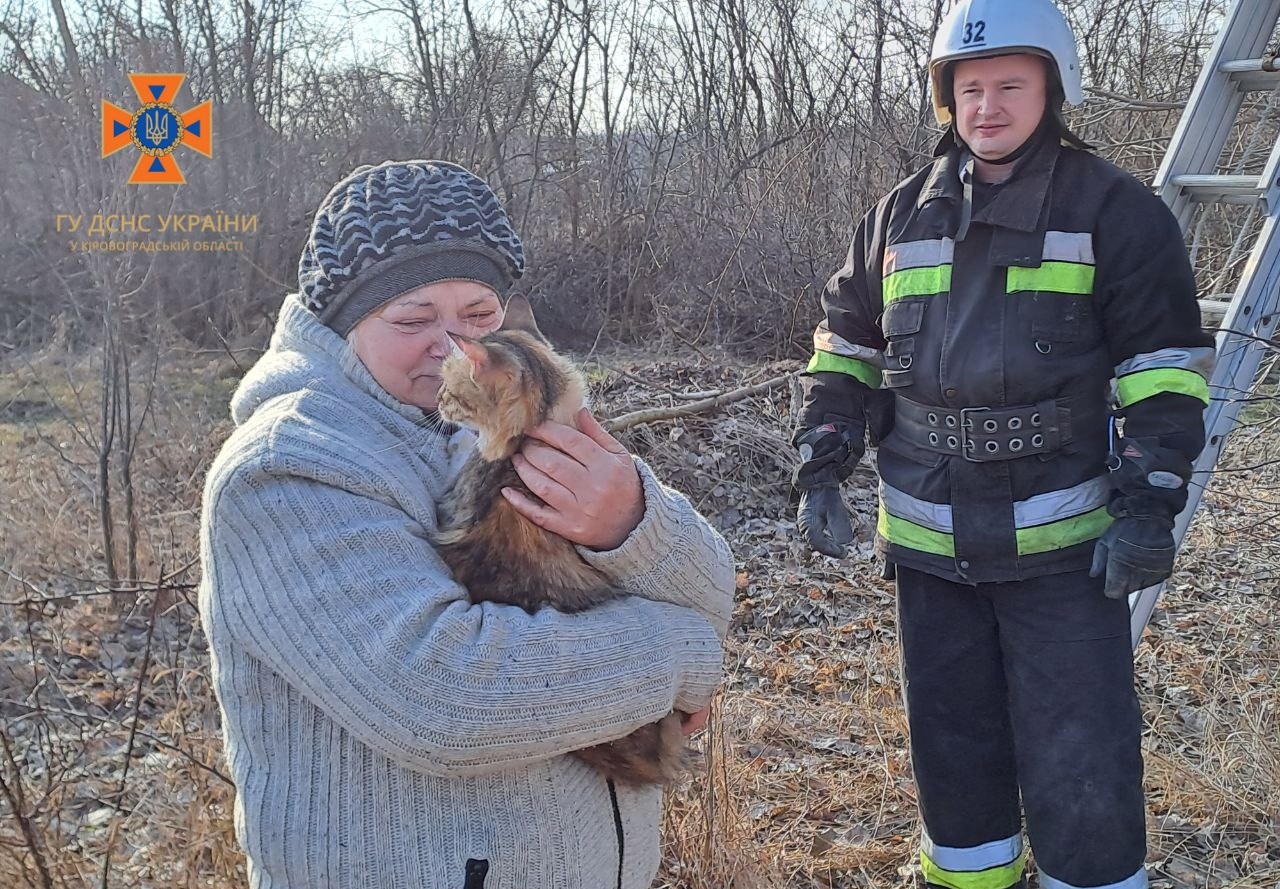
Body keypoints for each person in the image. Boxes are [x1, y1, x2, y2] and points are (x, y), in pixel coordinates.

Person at [198, 159, 735, 889]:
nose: (452, 349)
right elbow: (445, 699)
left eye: (477, 315)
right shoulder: (287, 468)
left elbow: (712, 593)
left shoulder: (498, 407)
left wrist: (631, 520)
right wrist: (677, 659)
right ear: (341, 319)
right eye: (413, 318)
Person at [792, 2, 1215, 888]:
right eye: (970, 87)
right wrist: (821, 461)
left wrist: (1149, 504)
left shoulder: (1116, 212)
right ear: (948, 98)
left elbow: (1163, 374)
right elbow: (847, 354)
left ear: (1052, 90)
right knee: (953, 749)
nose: (988, 105)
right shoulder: (896, 219)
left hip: (1064, 555)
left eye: (1011, 85)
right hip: (928, 549)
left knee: (1082, 756)